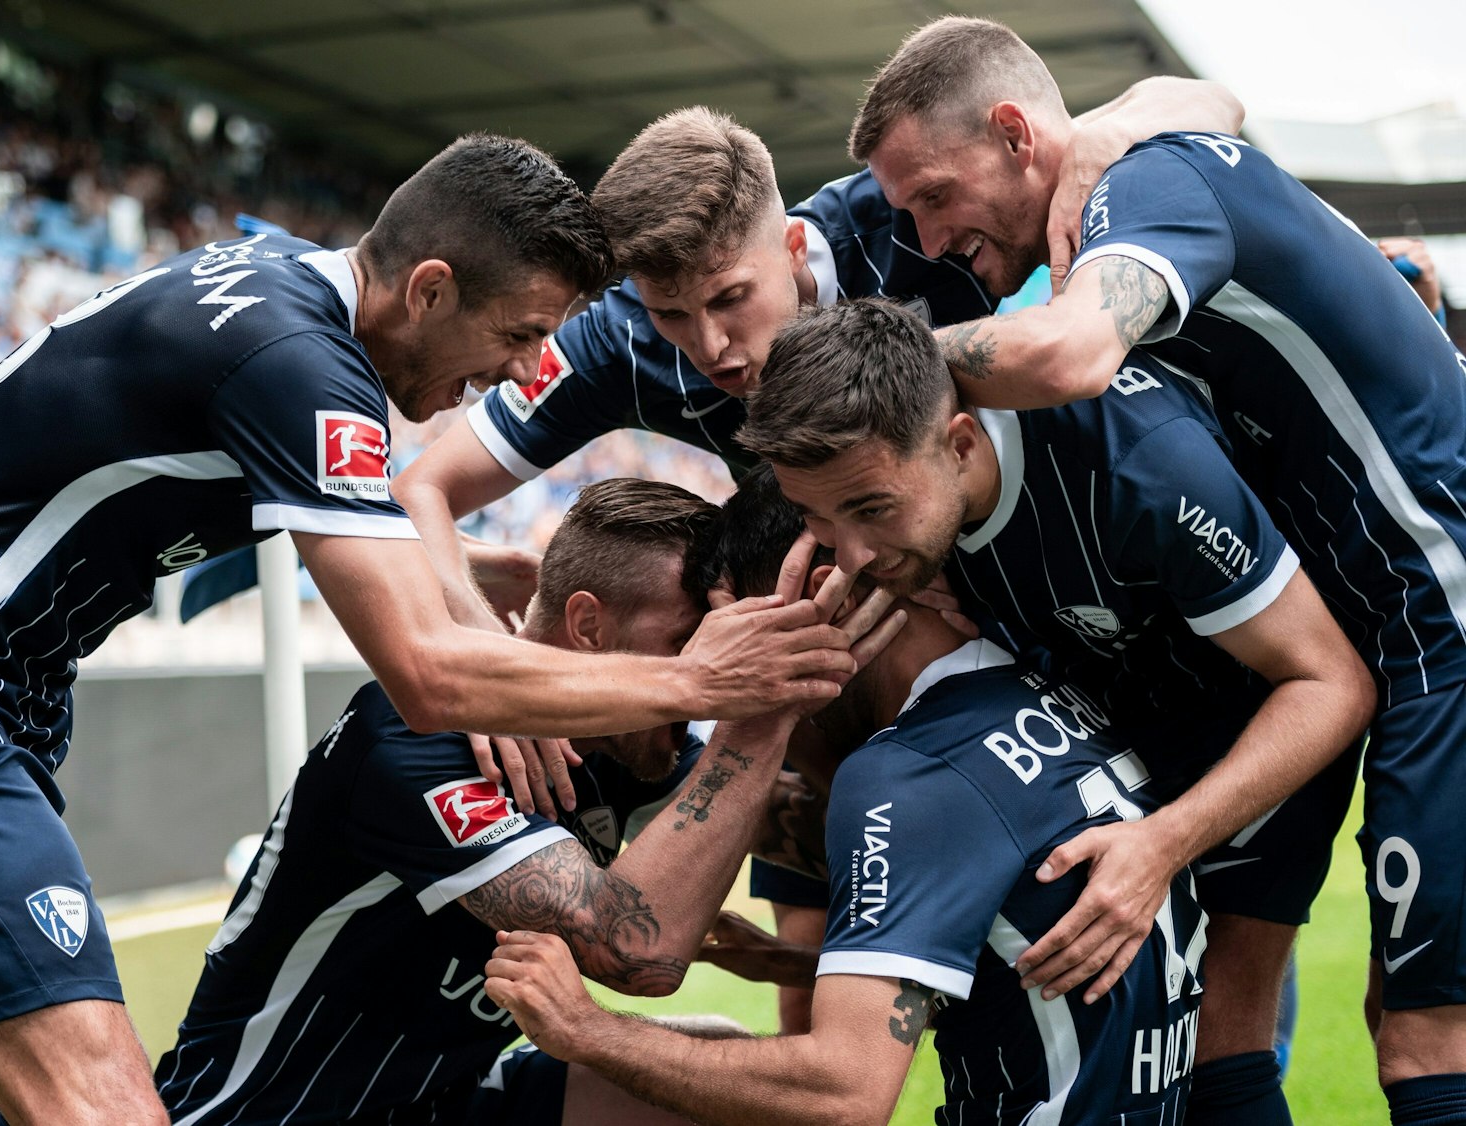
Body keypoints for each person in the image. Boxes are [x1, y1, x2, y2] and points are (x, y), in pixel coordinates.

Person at [0, 135, 859, 1126]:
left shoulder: (289, 299)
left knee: (65, 1076)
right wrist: (704, 682)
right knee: (100, 1102)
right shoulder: (300, 361)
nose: (528, 372)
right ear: (430, 288)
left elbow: (345, 516)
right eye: (521, 334)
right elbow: (429, 677)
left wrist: (455, 582)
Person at [852, 17, 1466, 1121]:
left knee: (1428, 1040)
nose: (929, 239)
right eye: (907, 214)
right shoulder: (1132, 181)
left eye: (936, 196)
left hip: (1442, 608)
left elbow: (1069, 354)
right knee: (1307, 1020)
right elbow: (1212, 101)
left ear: (1014, 134)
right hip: (1374, 625)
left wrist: (843, 376)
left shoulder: (1146, 188)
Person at [395, 84, 1241, 822]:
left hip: (1057, 601)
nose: (710, 346)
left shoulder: (907, 220)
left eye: (732, 297)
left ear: (793, 248)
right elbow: (421, 488)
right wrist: (487, 660)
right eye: (672, 314)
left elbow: (1212, 104)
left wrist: (1100, 136)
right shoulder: (619, 340)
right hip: (841, 662)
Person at [742, 298, 1377, 1119]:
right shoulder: (923, 522)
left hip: (1263, 723)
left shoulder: (1140, 466)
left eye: (871, 509)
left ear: (960, 444)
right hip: (1124, 730)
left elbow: (1332, 683)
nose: (851, 556)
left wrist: (1163, 842)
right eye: (816, 518)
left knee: (1227, 1044)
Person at [156, 478, 899, 1125]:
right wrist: (762, 710)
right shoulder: (420, 741)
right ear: (588, 626)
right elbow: (638, 954)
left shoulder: (634, 751)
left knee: (733, 1087)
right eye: (690, 642)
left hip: (444, 1099)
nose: (717, 670)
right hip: (270, 1112)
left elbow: (797, 820)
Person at [484, 469, 1208, 1125]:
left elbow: (844, 1095)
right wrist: (799, 966)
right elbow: (1015, 977)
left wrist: (587, 1030)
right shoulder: (1042, 686)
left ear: (829, 592)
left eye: (745, 634)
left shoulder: (908, 773)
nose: (729, 674)